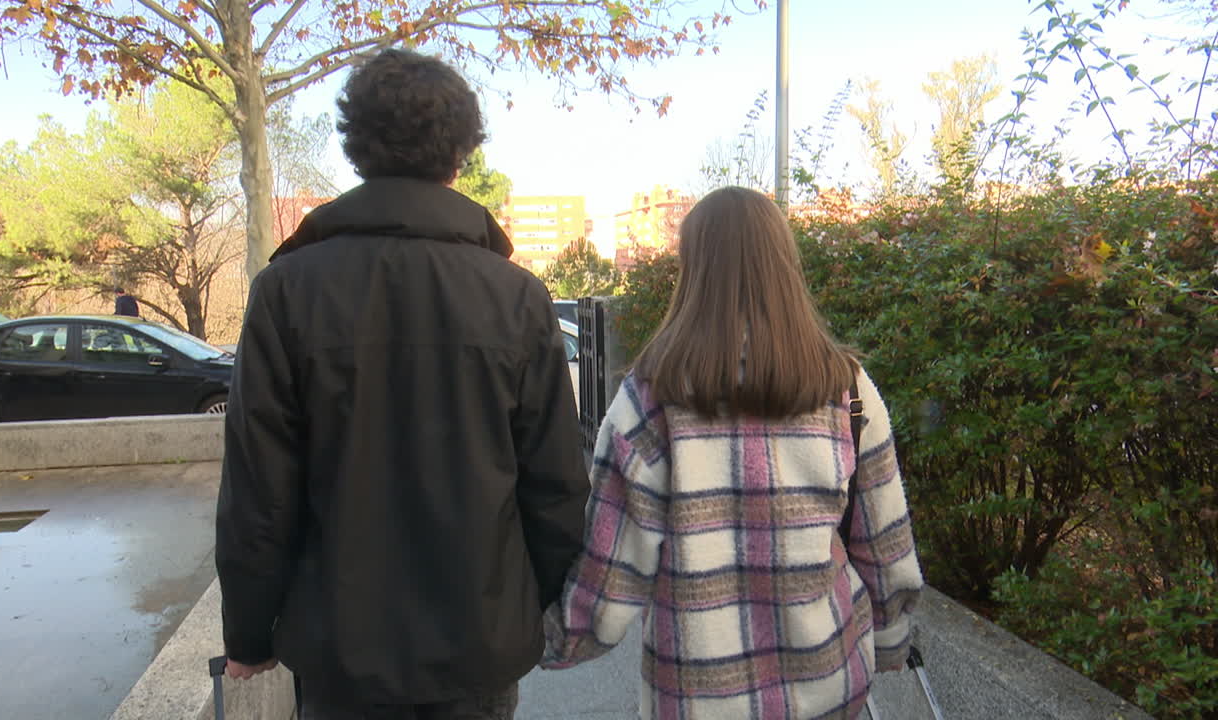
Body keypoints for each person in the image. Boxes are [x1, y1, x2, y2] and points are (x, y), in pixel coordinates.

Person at [214, 49, 590, 719]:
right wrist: (547, 607)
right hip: (478, 644)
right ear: (460, 154)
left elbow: (258, 490)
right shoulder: (517, 298)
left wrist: (247, 631)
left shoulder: (285, 291)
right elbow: (555, 484)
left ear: (355, 146)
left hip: (337, 649)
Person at [539, 187, 924, 719]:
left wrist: (562, 638)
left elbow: (614, 565)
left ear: (694, 271)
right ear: (784, 263)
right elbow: (883, 542)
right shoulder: (848, 390)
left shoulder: (650, 399)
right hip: (830, 682)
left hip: (698, 696)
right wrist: (891, 639)